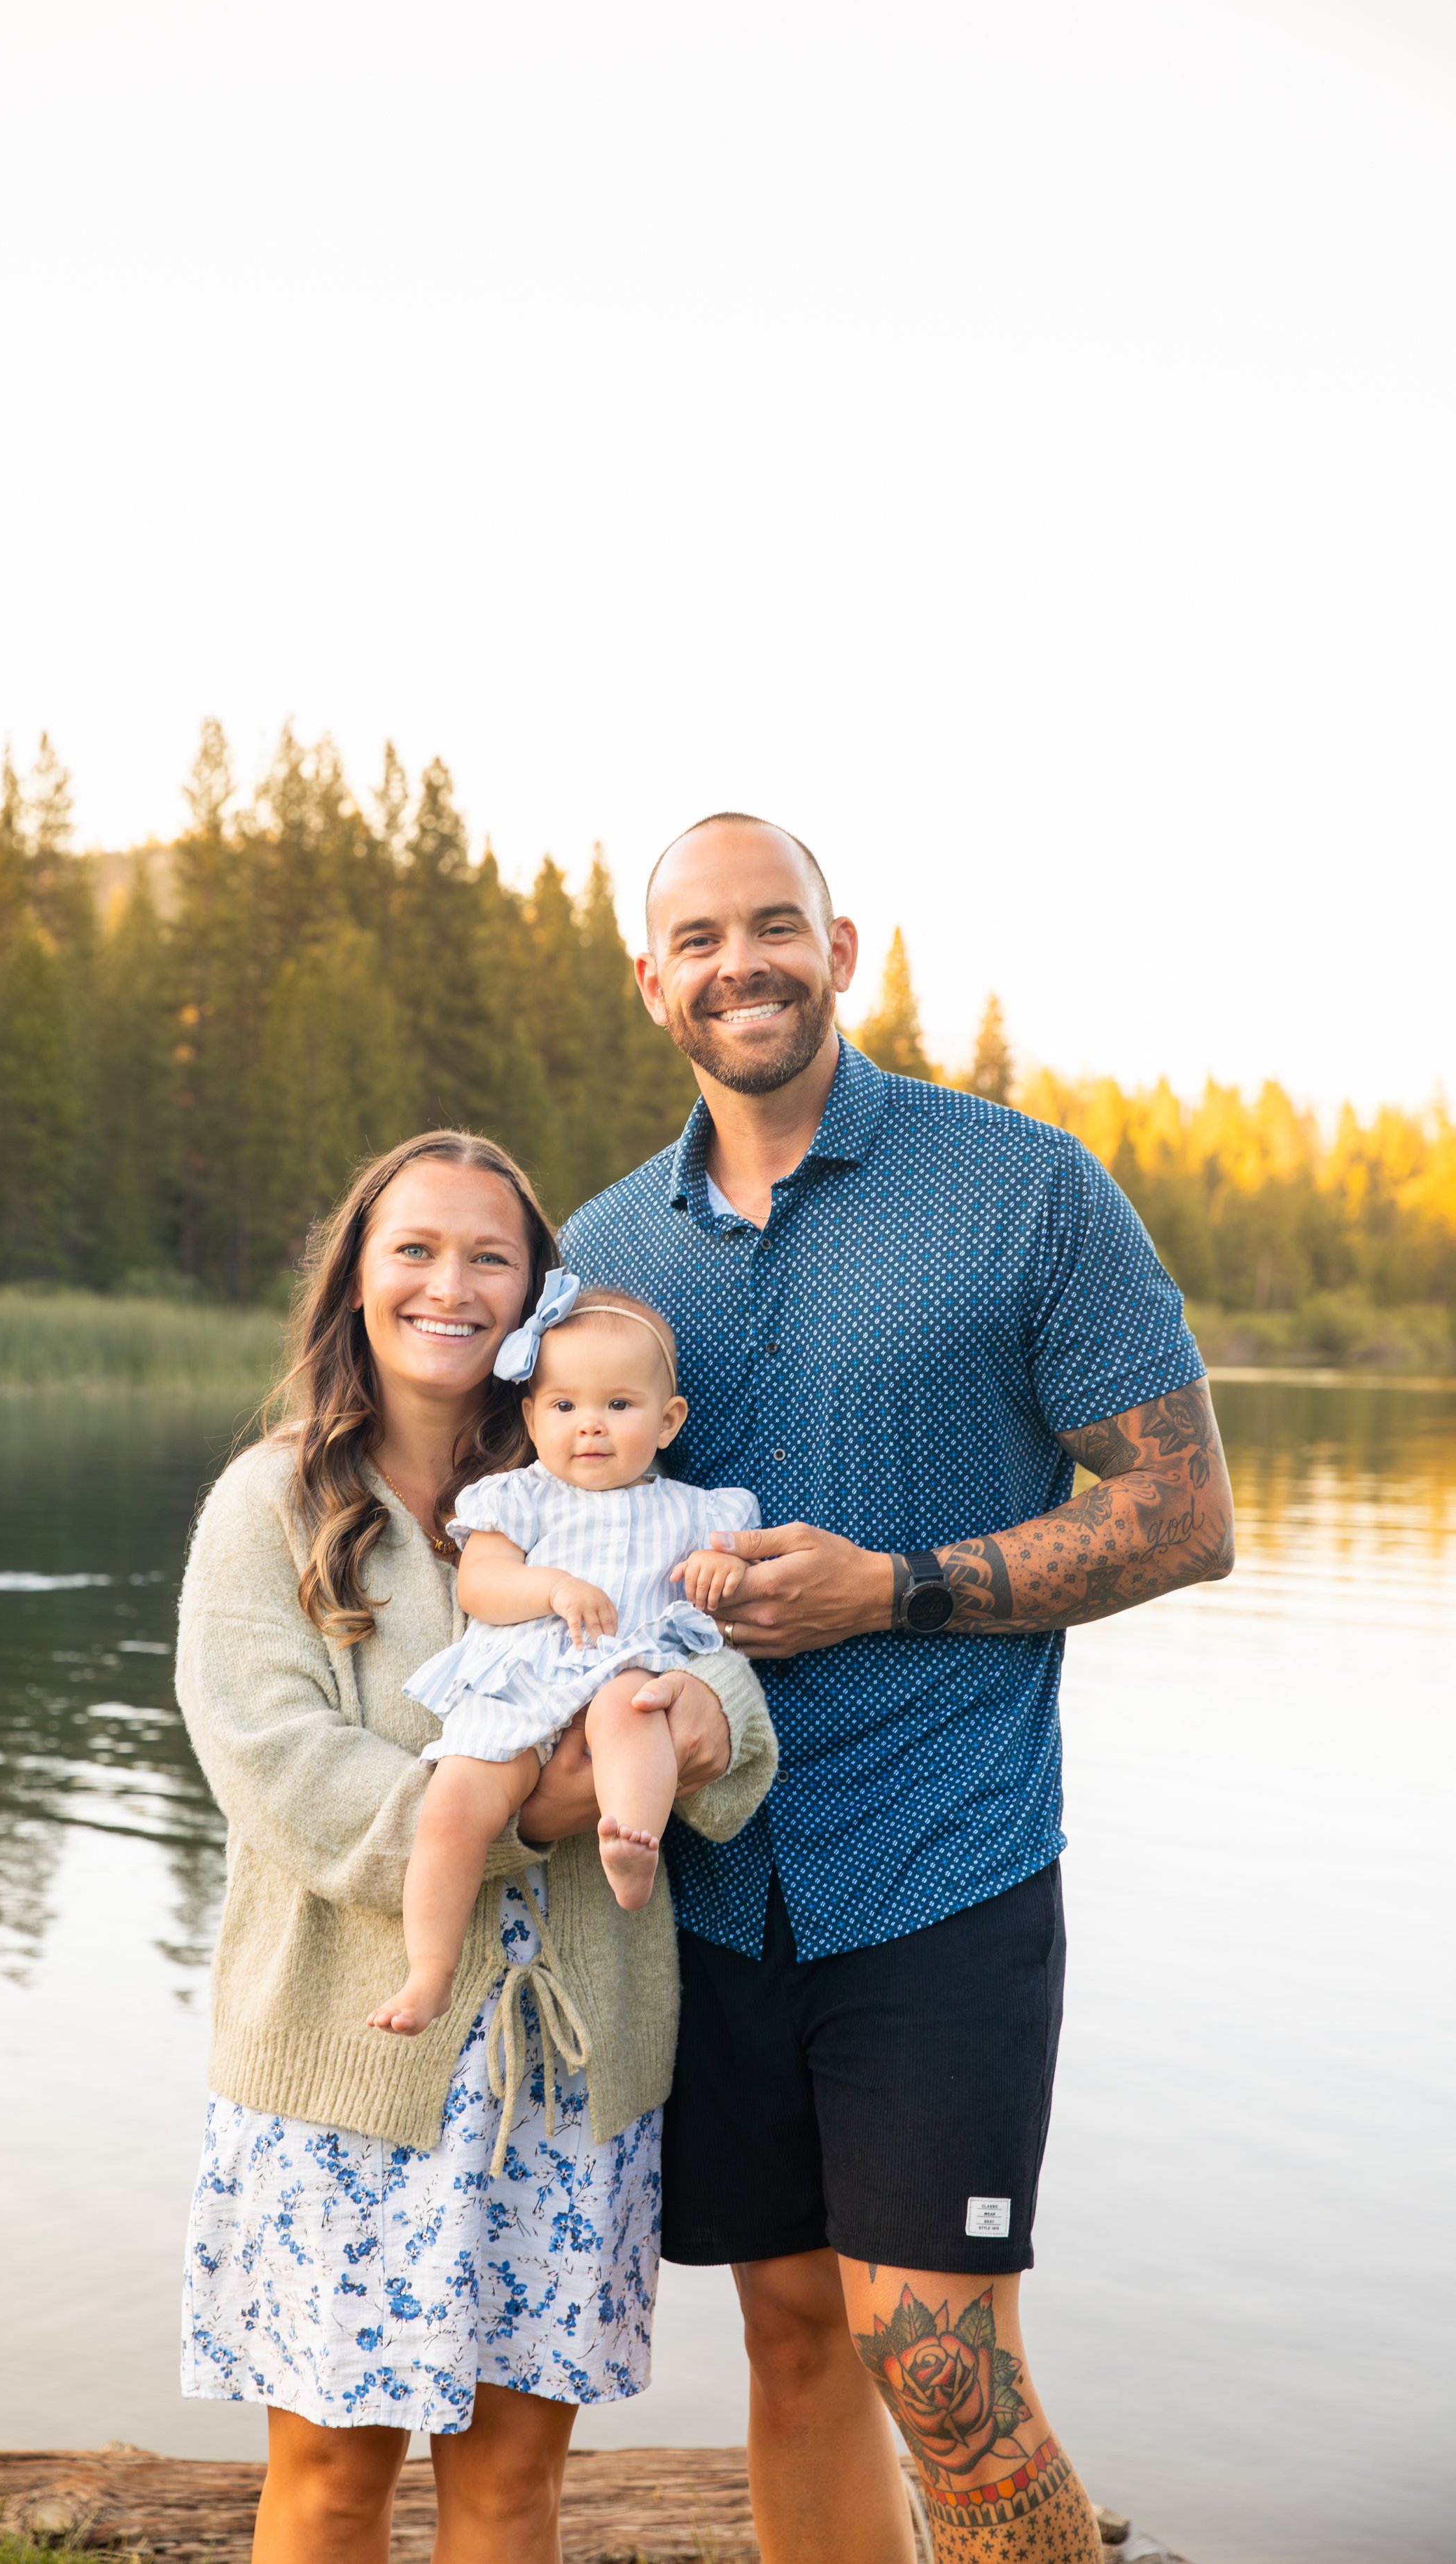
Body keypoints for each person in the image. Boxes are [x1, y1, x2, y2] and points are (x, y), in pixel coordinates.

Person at [561, 814, 1238, 2564]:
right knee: (789, 2337)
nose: (741, 962)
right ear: (655, 981)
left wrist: (899, 1585)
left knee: (937, 2356)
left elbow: (1188, 1514)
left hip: (942, 1857)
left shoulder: (1023, 1184)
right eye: (698, 937)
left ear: (840, 944)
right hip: (704, 1879)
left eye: (773, 925)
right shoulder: (607, 1246)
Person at [175, 1129, 776, 2564]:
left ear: (532, 1300)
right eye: (415, 1251)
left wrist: (690, 1711)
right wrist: (525, 1816)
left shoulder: (602, 1465)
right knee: (329, 2484)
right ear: (357, 1281)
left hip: (567, 2078)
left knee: (511, 2494)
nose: (450, 1286)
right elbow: (281, 1774)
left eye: (487, 1257)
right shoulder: (271, 1506)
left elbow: (722, 1686)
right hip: (348, 2068)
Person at [368, 1274, 760, 2034]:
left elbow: (734, 1580)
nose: (590, 1426)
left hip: (621, 1667)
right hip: (522, 1687)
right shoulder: (518, 1497)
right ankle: (428, 1970)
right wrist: (547, 1586)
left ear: (668, 1420)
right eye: (564, 1406)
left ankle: (631, 1838)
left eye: (619, 1406)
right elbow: (481, 1586)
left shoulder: (697, 1511)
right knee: (453, 1806)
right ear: (531, 1414)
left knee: (634, 1709)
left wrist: (725, 1569)